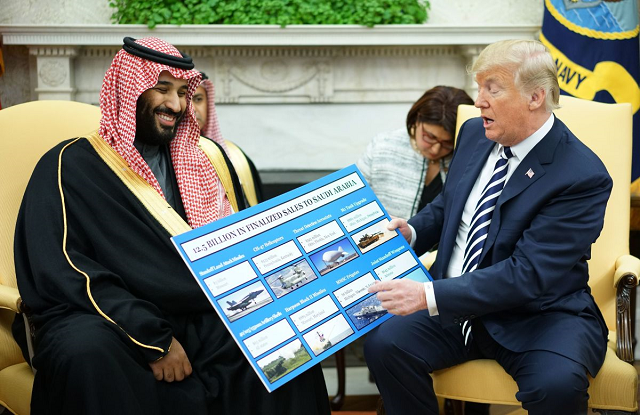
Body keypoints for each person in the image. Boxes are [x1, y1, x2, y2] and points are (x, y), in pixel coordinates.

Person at [12, 37, 330, 415]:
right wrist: (154, 339)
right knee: (85, 352)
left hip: (197, 313)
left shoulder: (198, 165)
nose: (176, 105)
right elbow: (65, 270)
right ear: (126, 90)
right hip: (108, 318)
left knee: (282, 341)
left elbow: (239, 246)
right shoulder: (70, 165)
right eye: (162, 89)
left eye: (183, 92)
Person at [364, 39, 611, 415]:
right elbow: (451, 205)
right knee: (385, 344)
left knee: (557, 386)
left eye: (492, 89)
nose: (479, 101)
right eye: (479, 88)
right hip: (452, 309)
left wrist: (428, 295)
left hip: (535, 316)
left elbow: (528, 275)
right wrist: (411, 232)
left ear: (535, 97)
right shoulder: (475, 133)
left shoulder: (581, 175)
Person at [357, 86, 473, 219]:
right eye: (429, 137)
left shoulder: (468, 156)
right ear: (417, 119)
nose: (435, 149)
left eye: (447, 143)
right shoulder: (382, 146)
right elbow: (355, 199)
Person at [193, 71, 264, 206]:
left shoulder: (236, 156)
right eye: (186, 100)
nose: (193, 109)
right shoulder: (163, 159)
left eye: (198, 99)